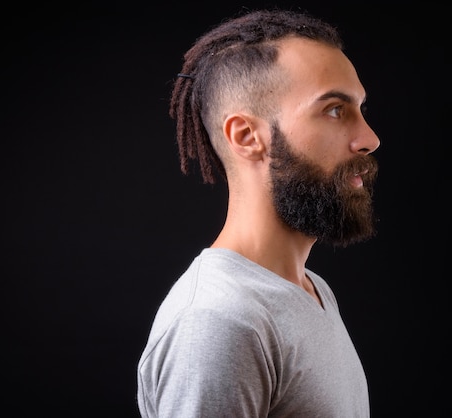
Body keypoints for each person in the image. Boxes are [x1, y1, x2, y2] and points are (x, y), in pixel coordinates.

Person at [137, 8, 380, 417]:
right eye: (335, 110)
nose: (369, 138)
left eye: (361, 110)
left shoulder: (312, 291)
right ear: (247, 137)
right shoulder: (220, 321)